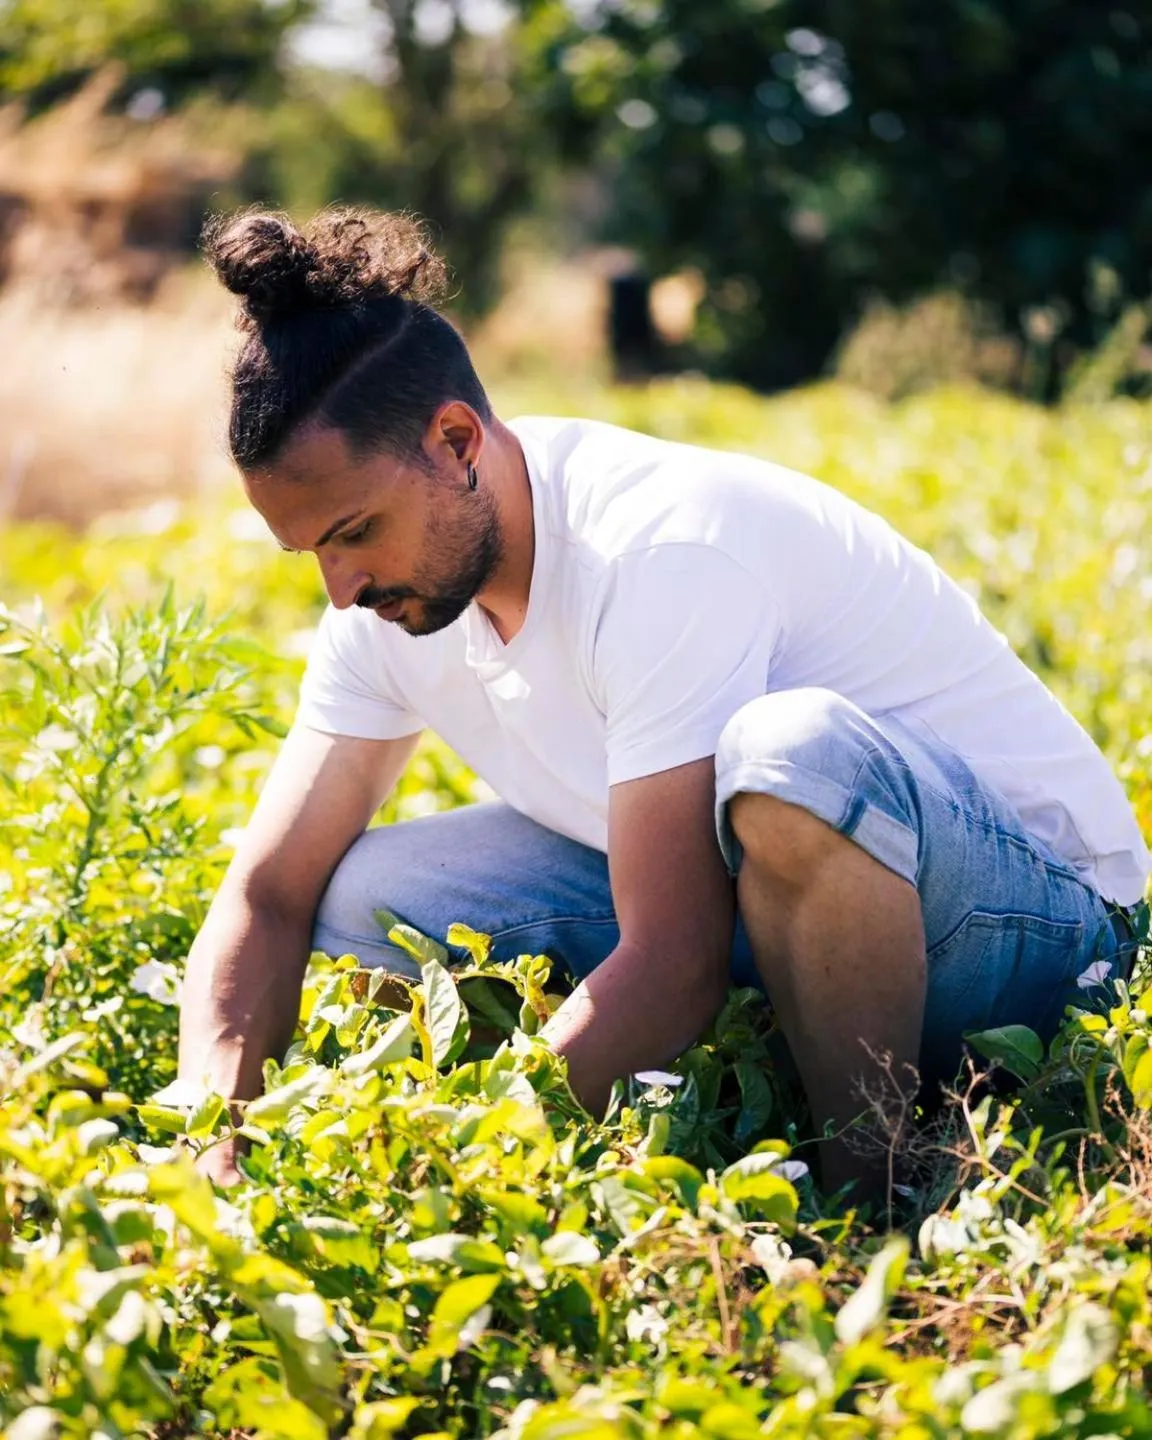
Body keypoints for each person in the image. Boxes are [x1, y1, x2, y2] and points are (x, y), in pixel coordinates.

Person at [178, 206, 1150, 1200]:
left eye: (354, 532)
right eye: (311, 553)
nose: (340, 589)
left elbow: (674, 960)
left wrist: (463, 1167)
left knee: (789, 754)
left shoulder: (656, 549)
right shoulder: (383, 606)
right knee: (364, 896)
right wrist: (209, 1140)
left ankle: (869, 1196)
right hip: (785, 918)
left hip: (1042, 938)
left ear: (457, 440)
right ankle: (740, 1090)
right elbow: (269, 893)